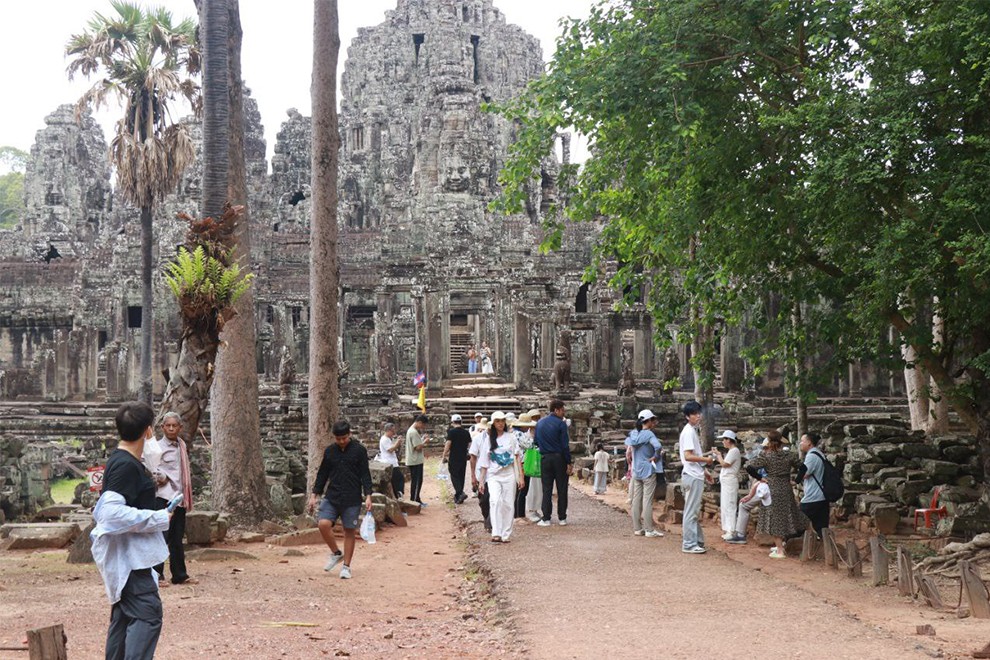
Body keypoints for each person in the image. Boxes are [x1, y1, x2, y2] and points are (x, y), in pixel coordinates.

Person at [91, 401, 171, 660]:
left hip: (129, 557)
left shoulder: (124, 460)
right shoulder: (125, 465)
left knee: (125, 616)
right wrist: (158, 517)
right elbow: (110, 513)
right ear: (148, 431)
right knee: (147, 615)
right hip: (130, 561)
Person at [308, 420, 373, 579]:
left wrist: (368, 495)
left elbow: (365, 474)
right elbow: (322, 474)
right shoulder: (330, 451)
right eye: (338, 439)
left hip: (352, 497)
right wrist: (314, 495)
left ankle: (346, 567)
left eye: (344, 438)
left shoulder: (359, 450)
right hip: (332, 496)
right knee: (323, 524)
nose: (342, 441)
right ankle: (336, 553)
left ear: (349, 434)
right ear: (334, 437)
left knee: (349, 531)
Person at [148, 411, 196, 586]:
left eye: (174, 426)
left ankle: (179, 575)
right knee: (161, 536)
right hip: (163, 496)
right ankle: (157, 575)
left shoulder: (181, 446)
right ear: (162, 428)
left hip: (179, 497)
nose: (171, 428)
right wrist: (162, 477)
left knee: (177, 538)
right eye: (167, 425)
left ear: (180, 428)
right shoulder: (157, 448)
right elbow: (150, 467)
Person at [745, 430, 807, 559]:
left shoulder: (766, 456)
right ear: (781, 441)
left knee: (774, 519)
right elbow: (803, 468)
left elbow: (749, 467)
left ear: (769, 441)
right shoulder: (789, 455)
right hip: (786, 488)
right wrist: (796, 481)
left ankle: (780, 550)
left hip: (772, 488)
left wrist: (760, 478)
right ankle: (781, 544)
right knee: (786, 515)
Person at [477, 411, 524, 543]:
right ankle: (496, 532)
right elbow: (484, 462)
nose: (500, 424)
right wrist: (481, 481)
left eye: (502, 421)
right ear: (493, 423)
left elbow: (517, 457)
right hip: (493, 475)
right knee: (495, 501)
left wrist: (521, 476)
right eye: (497, 421)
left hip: (509, 474)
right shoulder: (488, 439)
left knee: (508, 504)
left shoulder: (511, 438)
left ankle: (506, 533)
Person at [679, 400, 716, 554]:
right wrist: (706, 460)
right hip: (692, 476)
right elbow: (688, 456)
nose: (698, 416)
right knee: (691, 511)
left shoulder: (691, 431)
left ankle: (697, 541)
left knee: (693, 510)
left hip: (694, 474)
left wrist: (704, 471)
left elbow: (692, 456)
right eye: (694, 414)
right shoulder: (688, 432)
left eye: (699, 413)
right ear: (688, 416)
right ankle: (689, 543)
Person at [626, 409, 664, 537]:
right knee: (647, 500)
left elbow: (628, 446)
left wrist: (629, 452)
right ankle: (649, 529)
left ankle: (637, 528)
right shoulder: (649, 434)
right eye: (653, 420)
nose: (654, 422)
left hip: (636, 470)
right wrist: (655, 457)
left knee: (636, 500)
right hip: (648, 469)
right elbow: (658, 446)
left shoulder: (634, 433)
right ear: (648, 421)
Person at [534, 399, 572, 526]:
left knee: (546, 489)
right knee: (562, 488)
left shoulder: (540, 423)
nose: (563, 413)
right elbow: (565, 445)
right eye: (562, 410)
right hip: (559, 458)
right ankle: (562, 517)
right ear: (556, 410)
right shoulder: (561, 424)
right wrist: (568, 461)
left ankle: (546, 517)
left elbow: (536, 442)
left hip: (545, 458)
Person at [726, 469, 772, 544]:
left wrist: (750, 495)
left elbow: (762, 481)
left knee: (743, 505)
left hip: (766, 491)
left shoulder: (766, 464)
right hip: (772, 490)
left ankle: (740, 535)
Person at [798, 432, 830, 539]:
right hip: (822, 495)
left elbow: (804, 474)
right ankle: (825, 546)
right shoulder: (819, 453)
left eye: (802, 441)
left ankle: (783, 544)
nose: (800, 443)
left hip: (813, 497)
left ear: (809, 443)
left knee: (797, 521)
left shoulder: (811, 456)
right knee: (821, 527)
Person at [712, 429, 742, 541]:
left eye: (724, 439)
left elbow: (725, 464)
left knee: (730, 505)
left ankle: (732, 530)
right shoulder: (731, 451)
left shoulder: (734, 451)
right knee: (725, 505)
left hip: (730, 481)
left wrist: (718, 455)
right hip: (726, 482)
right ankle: (727, 529)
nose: (723, 442)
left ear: (729, 440)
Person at [512, 414, 537, 518]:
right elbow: (530, 445)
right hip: (522, 462)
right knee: (522, 490)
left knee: (519, 490)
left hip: (519, 462)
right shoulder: (519, 434)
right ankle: (520, 514)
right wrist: (533, 435)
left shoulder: (514, 432)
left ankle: (517, 514)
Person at [469, 417, 492, 531]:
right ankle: (487, 517)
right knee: (484, 500)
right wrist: (473, 476)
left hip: (495, 474)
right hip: (481, 474)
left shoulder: (501, 438)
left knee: (495, 500)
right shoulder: (478, 439)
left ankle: (491, 522)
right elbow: (473, 457)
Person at [443, 414, 472, 504]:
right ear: (461, 422)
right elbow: (470, 445)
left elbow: (448, 444)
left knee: (454, 475)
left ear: (452, 422)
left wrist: (444, 455)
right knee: (461, 476)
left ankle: (460, 492)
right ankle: (458, 496)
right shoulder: (466, 432)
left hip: (454, 457)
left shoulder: (452, 432)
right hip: (463, 457)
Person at [522, 409, 544, 522]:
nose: (536, 420)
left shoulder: (541, 433)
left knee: (539, 487)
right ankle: (531, 509)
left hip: (538, 462)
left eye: (537, 418)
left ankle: (536, 508)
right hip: (529, 463)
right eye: (534, 418)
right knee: (531, 488)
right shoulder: (525, 435)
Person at [405, 415, 429, 506]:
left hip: (414, 459)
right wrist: (425, 442)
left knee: (417, 480)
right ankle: (414, 501)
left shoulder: (412, 431)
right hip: (415, 461)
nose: (423, 427)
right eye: (423, 425)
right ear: (419, 422)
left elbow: (415, 444)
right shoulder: (413, 432)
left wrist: (422, 439)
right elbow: (417, 447)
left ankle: (416, 499)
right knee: (417, 481)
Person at [377, 422, 404, 499]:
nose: (394, 433)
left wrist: (397, 442)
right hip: (389, 463)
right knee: (398, 479)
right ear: (388, 431)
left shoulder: (388, 439)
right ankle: (398, 494)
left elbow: (394, 448)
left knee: (398, 479)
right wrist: (397, 442)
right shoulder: (384, 439)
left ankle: (398, 494)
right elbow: (391, 449)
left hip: (393, 462)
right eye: (392, 431)